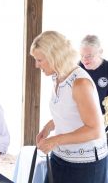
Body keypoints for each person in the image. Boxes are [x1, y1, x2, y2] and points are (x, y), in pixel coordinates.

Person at [31, 31, 108, 183]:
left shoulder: (80, 83)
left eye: (40, 60)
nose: (36, 65)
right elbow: (68, 111)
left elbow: (95, 129)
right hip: (60, 156)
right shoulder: (57, 76)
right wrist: (48, 127)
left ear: (55, 56)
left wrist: (55, 140)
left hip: (87, 165)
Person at [79, 35, 108, 115]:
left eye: (89, 56)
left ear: (100, 52)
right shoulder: (77, 69)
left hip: (103, 118)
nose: (84, 59)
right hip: (81, 116)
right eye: (82, 55)